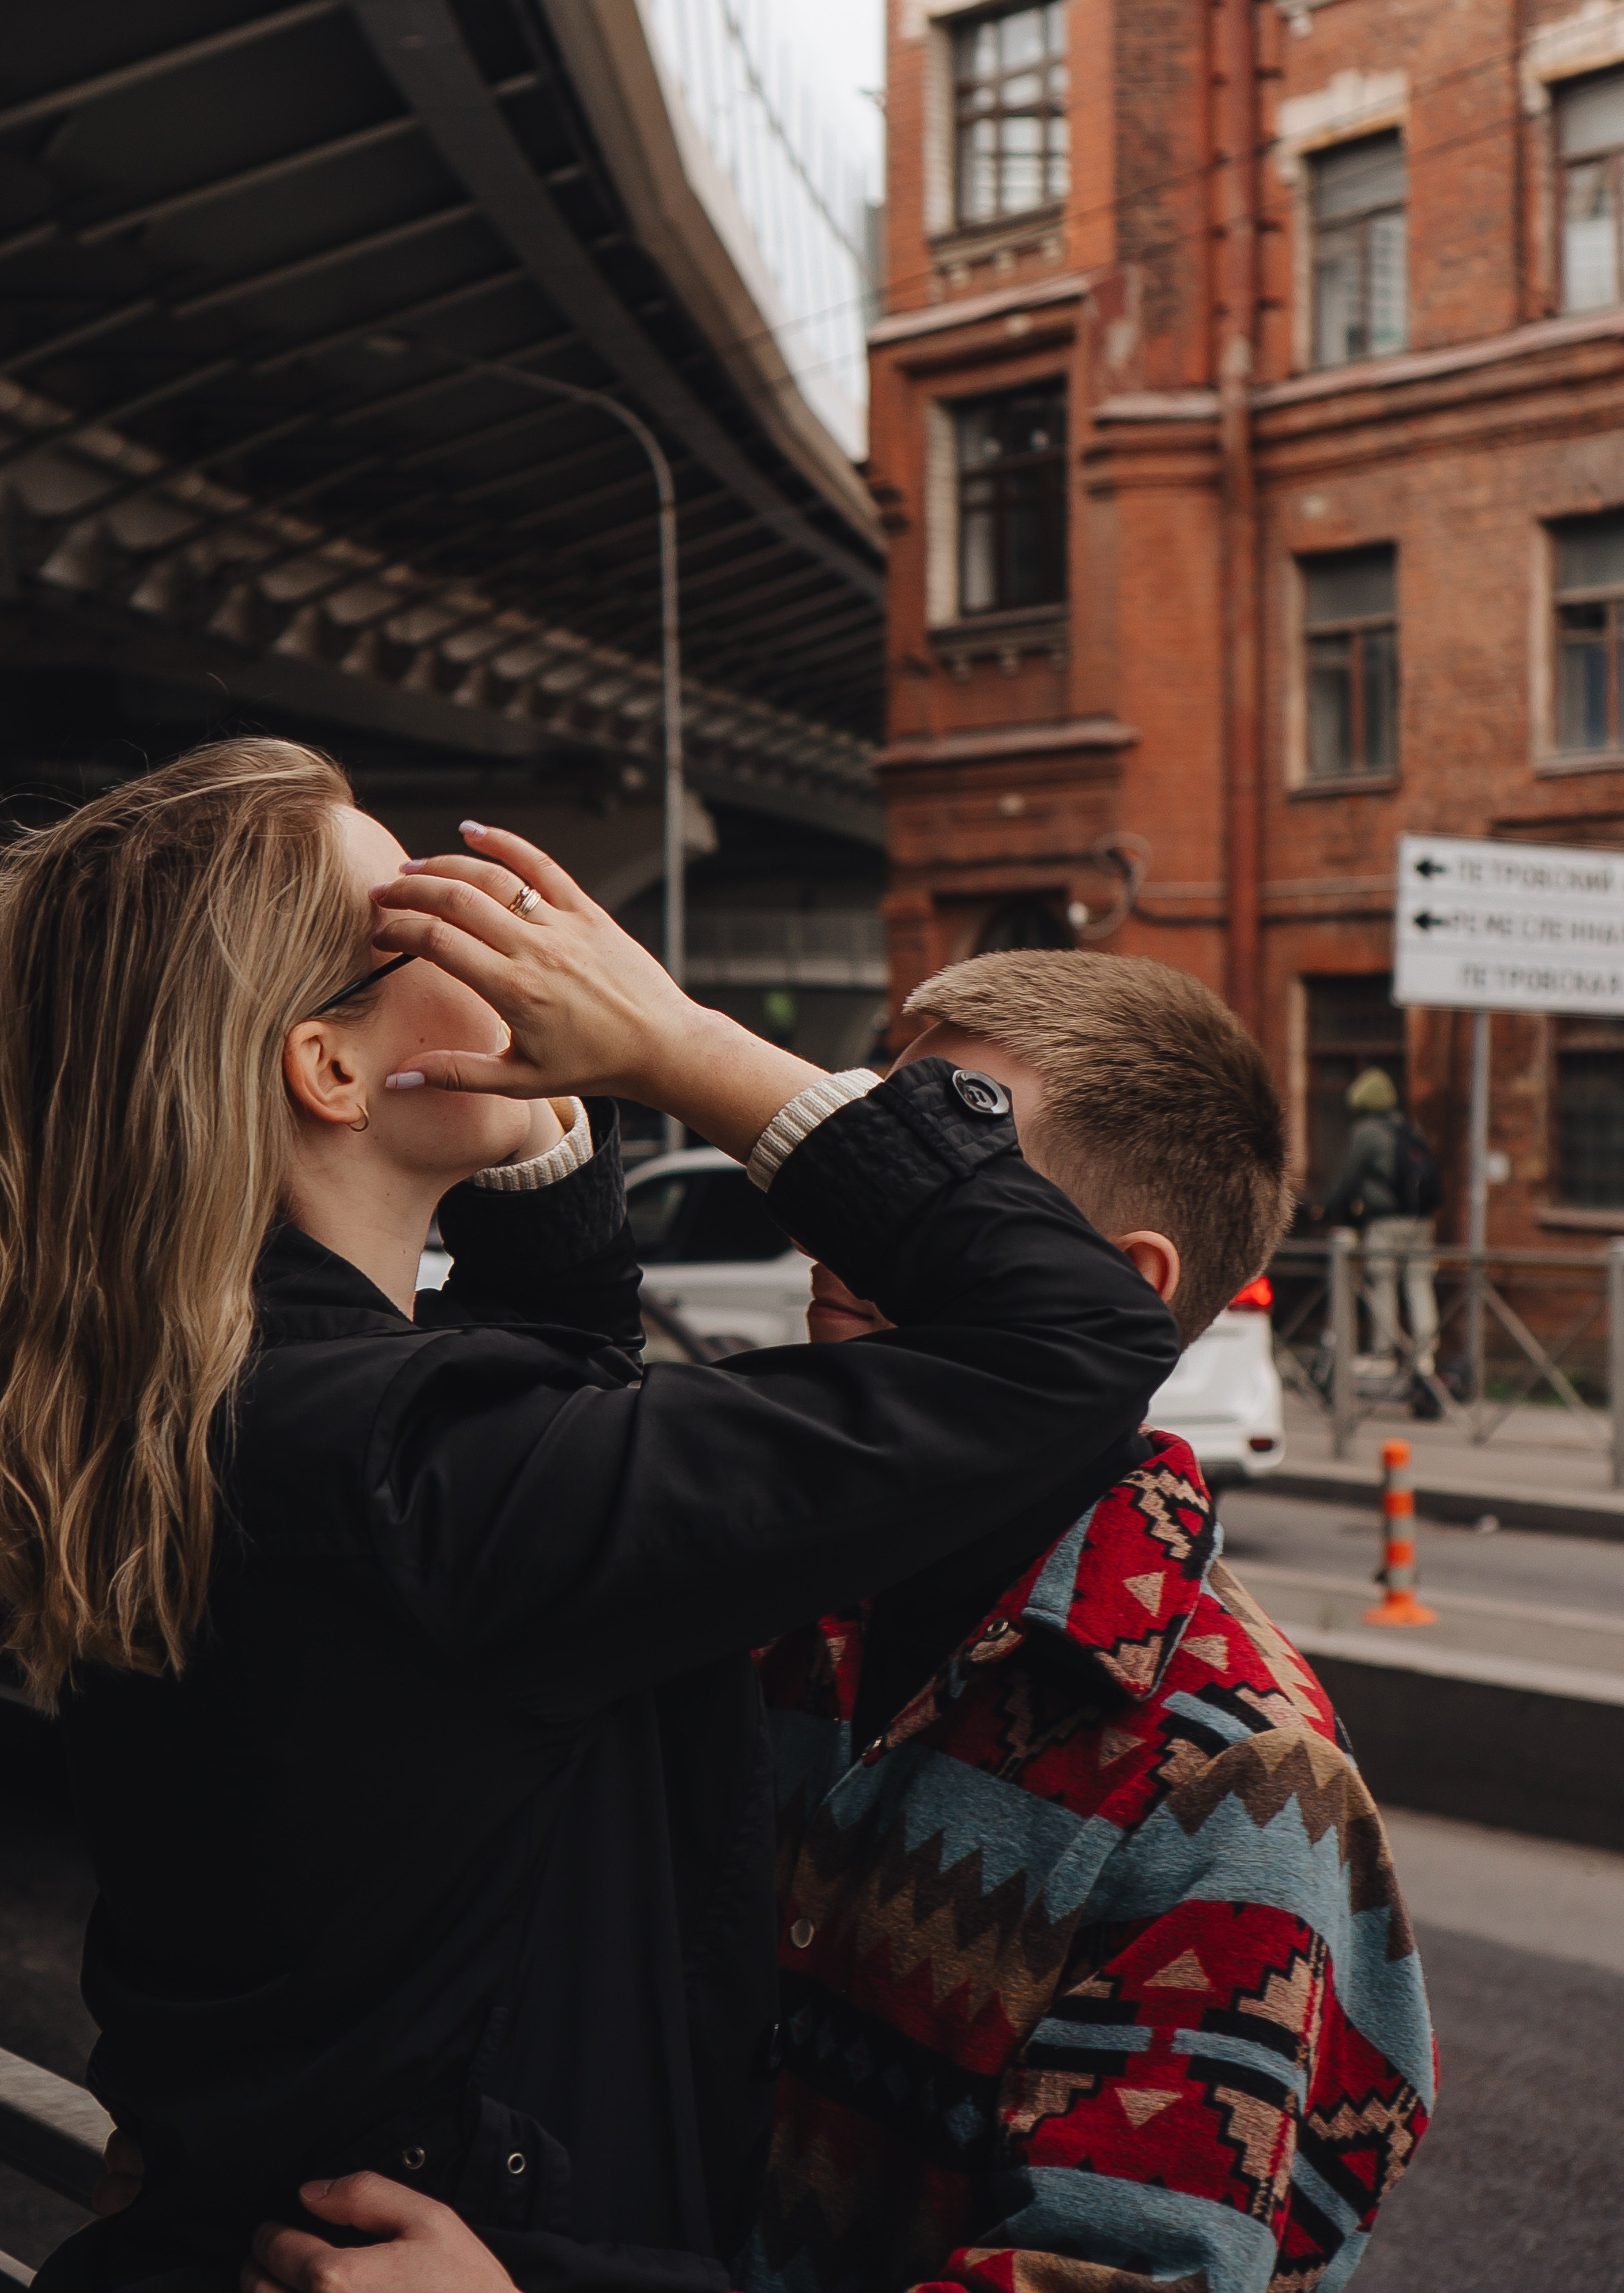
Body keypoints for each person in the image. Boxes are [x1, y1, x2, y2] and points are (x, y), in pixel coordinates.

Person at [0, 739, 1179, 2293]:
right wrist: (684, 1046)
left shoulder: (247, 1405)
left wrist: (545, 1132)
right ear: (327, 1069)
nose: (506, 923)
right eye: (429, 917)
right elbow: (1079, 1337)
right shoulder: (415, 1471)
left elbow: (569, 1454)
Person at [231, 952, 1434, 2293]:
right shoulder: (779, 1596)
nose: (836, 1229)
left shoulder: (1242, 1784)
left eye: (935, 1190)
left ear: (1114, 1288)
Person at [1321, 1067, 1442, 1394]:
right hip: (1421, 1221)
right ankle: (1425, 1355)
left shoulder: (1366, 1132)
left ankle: (1384, 1353)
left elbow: (1348, 1178)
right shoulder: (1407, 1126)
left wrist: (1326, 1208)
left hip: (1385, 1222)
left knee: (1381, 1283)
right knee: (1419, 1283)